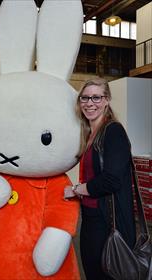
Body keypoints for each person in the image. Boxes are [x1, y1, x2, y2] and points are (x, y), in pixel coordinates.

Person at [64, 77, 136, 280]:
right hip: (92, 218)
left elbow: (112, 179)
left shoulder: (113, 131)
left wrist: (78, 189)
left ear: (106, 100)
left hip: (108, 222)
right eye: (85, 98)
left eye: (96, 97)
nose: (89, 103)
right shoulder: (90, 133)